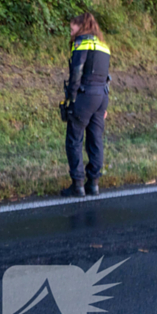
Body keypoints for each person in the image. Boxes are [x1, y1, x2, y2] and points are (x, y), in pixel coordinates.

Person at [61, 13, 111, 197]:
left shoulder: (81, 43)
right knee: (95, 140)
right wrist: (104, 106)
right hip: (101, 97)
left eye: (72, 28)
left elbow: (76, 71)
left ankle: (78, 185)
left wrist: (71, 98)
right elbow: (106, 76)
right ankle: (94, 184)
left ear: (81, 27)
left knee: (74, 139)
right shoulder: (103, 46)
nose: (71, 31)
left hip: (85, 95)